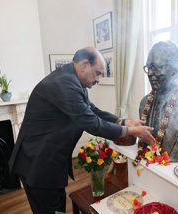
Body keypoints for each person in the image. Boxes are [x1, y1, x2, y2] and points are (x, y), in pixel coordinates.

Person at [9, 47, 155, 214]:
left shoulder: (71, 80)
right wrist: (129, 131)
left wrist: (122, 121)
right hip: (39, 165)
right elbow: (92, 124)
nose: (99, 79)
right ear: (84, 65)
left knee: (57, 207)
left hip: (46, 161)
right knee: (51, 209)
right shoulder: (65, 84)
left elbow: (92, 110)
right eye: (98, 73)